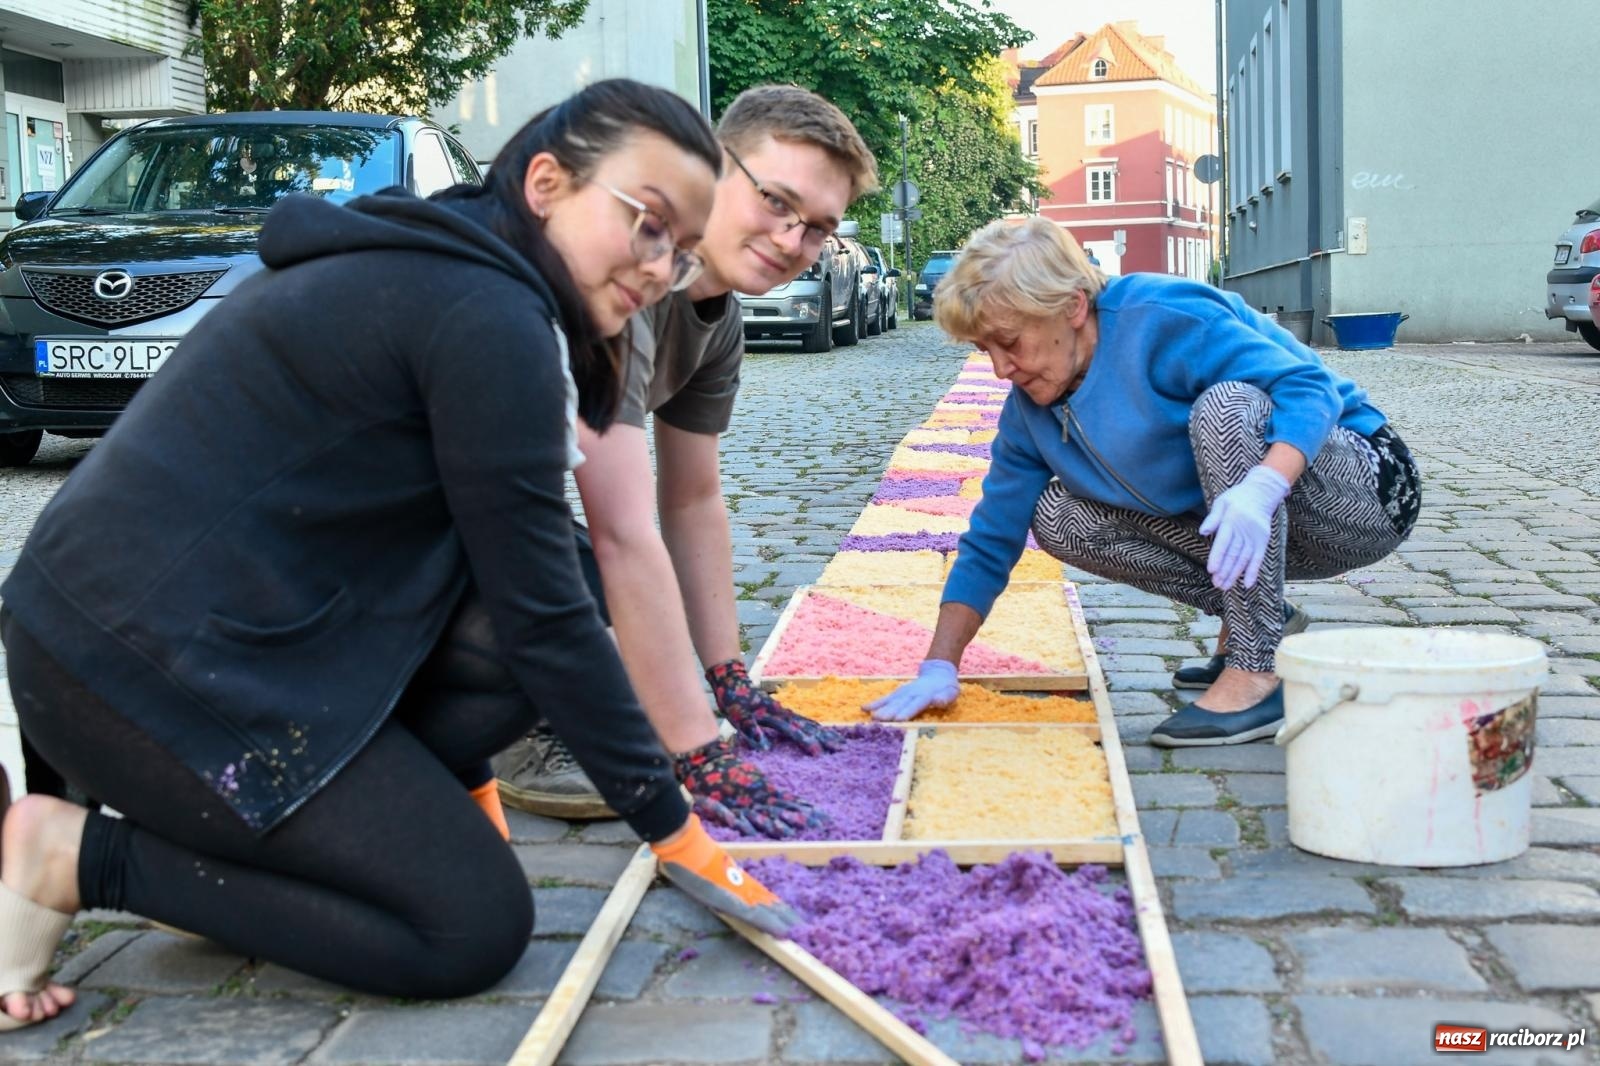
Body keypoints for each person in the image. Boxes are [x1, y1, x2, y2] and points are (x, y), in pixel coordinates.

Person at [0, 79, 798, 1031]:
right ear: (546, 182)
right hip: (131, 666)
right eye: (646, 223)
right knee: (469, 926)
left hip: (223, 633)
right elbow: (546, 623)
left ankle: (279, 847)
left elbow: (499, 572)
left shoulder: (478, 276)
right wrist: (675, 829)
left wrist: (452, 798)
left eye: (679, 244)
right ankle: (74, 858)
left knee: (570, 581)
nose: (661, 267)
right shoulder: (485, 314)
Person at [865, 217, 1421, 747]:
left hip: (1362, 489)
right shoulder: (1029, 413)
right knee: (1058, 516)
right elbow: (992, 537)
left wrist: (1263, 488)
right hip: (1258, 534)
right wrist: (940, 664)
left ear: (1073, 307)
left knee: (1227, 409)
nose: (1001, 369)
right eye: (985, 350)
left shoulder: (1162, 316)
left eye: (1010, 342)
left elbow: (1310, 386)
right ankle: (1261, 617)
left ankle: (1256, 671)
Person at [494, 85, 880, 830]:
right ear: (713, 165)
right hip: (418, 523)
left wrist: (727, 676)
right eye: (775, 200)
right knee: (588, 576)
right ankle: (524, 728)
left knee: (618, 601)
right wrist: (699, 750)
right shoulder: (629, 282)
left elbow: (693, 500)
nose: (791, 240)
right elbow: (622, 532)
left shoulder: (719, 322)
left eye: (817, 229)